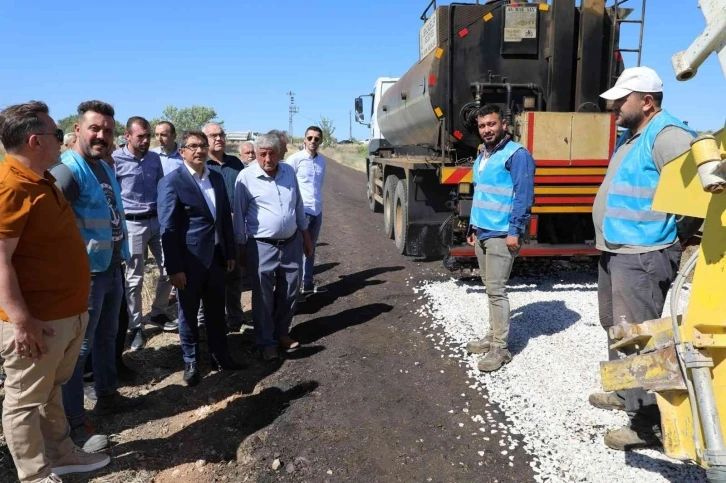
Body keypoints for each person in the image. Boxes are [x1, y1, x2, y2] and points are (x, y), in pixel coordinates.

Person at [0, 101, 110, 483]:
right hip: (37, 321)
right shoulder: (10, 186)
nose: (62, 141)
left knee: (50, 391)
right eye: (57, 134)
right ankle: (33, 475)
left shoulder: (43, 178)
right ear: (35, 140)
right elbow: (0, 260)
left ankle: (61, 454)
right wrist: (21, 320)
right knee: (24, 400)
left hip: (65, 313)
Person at [588, 66, 697, 451]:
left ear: (646, 102)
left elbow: (700, 189)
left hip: (643, 255)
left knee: (641, 339)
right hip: (617, 250)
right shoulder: (632, 135)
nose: (614, 105)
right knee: (616, 328)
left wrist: (676, 234)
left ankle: (648, 422)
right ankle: (626, 394)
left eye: (622, 99)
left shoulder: (668, 136)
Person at [51, 100, 144, 453]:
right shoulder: (67, 170)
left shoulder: (103, 167)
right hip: (84, 275)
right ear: (77, 130)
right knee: (79, 350)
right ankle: (74, 424)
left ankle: (107, 395)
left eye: (107, 129)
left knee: (107, 337)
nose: (101, 135)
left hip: (110, 268)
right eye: (94, 128)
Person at [158, 131, 245, 386]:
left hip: (217, 259)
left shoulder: (216, 178)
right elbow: (168, 228)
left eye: (202, 146)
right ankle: (191, 361)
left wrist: (229, 252)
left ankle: (220, 356)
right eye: (193, 146)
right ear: (182, 151)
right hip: (189, 262)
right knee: (188, 312)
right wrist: (174, 267)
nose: (199, 150)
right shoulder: (172, 182)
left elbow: (223, 221)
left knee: (216, 311)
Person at [464, 104, 535, 373]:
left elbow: (523, 196)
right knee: (489, 287)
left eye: (491, 124)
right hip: (482, 231)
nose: (486, 130)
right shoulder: (484, 154)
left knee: (496, 290)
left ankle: (500, 348)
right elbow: (481, 192)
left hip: (501, 233)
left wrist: (515, 231)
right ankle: (492, 336)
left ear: (504, 124)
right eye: (482, 126)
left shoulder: (517, 155)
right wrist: (472, 226)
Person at [233, 134, 313, 361]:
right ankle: (265, 341)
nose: (268, 158)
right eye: (263, 154)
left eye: (272, 153)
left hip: (291, 244)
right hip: (261, 247)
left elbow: (298, 205)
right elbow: (238, 216)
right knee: (263, 297)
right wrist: (240, 248)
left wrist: (306, 236)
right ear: (256, 154)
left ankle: (282, 333)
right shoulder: (245, 177)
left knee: (290, 292)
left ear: (280, 152)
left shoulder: (288, 171)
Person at [113, 116, 176, 350]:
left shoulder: (153, 159)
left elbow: (161, 187)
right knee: (134, 279)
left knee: (170, 269)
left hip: (157, 221)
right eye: (141, 136)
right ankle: (136, 326)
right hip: (132, 225)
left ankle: (158, 313)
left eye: (148, 136)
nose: (146, 140)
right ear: (127, 136)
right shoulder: (116, 160)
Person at [202, 123, 246, 332]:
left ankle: (236, 319)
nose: (218, 138)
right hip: (210, 231)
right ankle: (208, 320)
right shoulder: (202, 165)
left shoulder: (236, 163)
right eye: (213, 135)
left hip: (234, 229)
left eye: (221, 135)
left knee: (234, 275)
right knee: (210, 276)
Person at [286, 126, 328, 295]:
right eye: (310, 138)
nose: (313, 141)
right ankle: (295, 290)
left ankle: (308, 285)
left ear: (320, 141)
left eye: (316, 139)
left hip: (317, 210)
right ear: (304, 139)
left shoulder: (322, 161)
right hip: (301, 211)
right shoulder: (294, 159)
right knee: (297, 249)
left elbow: (319, 184)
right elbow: (288, 185)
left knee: (312, 248)